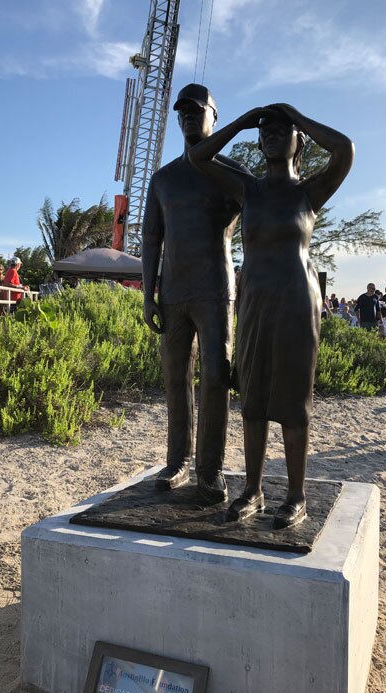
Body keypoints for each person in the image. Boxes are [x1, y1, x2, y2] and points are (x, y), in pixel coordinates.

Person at [190, 101, 353, 529]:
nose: (273, 133)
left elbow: (345, 149)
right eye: (267, 130)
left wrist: (298, 116)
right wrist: (246, 121)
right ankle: (253, 490)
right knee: (254, 399)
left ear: (298, 140)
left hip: (297, 303)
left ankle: (296, 496)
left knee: (295, 402)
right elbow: (198, 156)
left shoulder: (310, 192)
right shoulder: (248, 188)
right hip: (256, 301)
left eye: (282, 130)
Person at [141, 83, 252, 505]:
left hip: (214, 289)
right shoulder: (163, 178)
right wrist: (148, 295)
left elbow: (260, 223)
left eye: (197, 109)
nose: (189, 116)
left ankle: (210, 468)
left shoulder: (230, 172)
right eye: (182, 111)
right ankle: (177, 460)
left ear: (214, 117)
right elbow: (152, 238)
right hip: (173, 292)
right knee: (175, 379)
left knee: (215, 379)